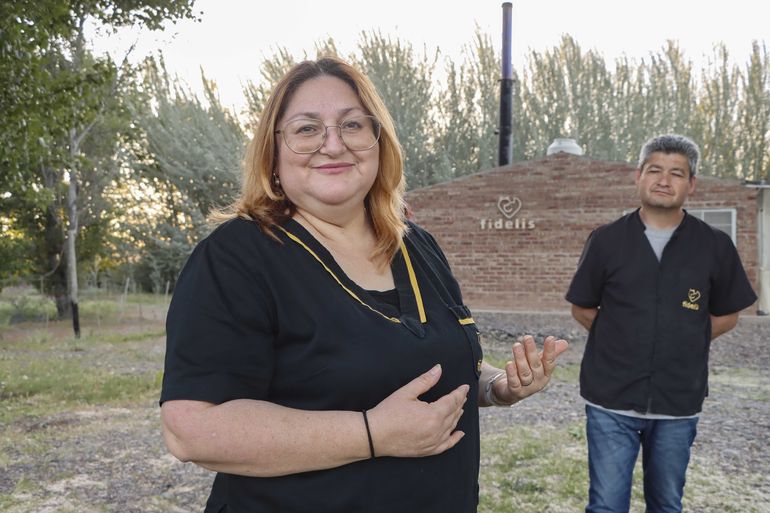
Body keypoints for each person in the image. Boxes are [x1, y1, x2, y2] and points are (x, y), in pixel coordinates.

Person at [160, 56, 569, 513]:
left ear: (379, 143)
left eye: (353, 125)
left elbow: (424, 363)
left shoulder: (417, 246)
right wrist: (373, 433)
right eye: (306, 129)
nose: (333, 145)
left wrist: (497, 386)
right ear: (273, 153)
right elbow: (190, 429)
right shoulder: (237, 257)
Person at [566, 134, 757, 513]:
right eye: (655, 170)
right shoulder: (606, 240)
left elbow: (728, 314)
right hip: (610, 401)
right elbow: (583, 308)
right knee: (605, 505)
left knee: (667, 504)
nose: (664, 180)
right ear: (638, 176)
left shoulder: (714, 246)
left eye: (677, 173)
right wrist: (623, 338)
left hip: (678, 402)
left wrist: (685, 338)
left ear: (692, 184)